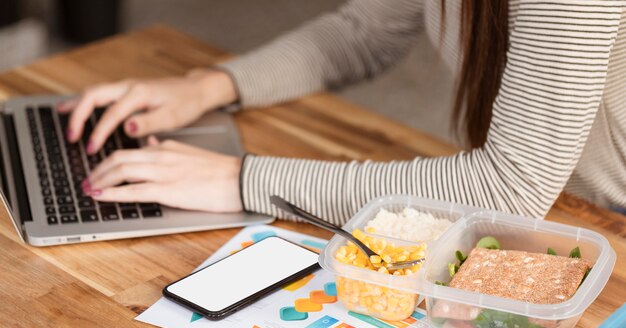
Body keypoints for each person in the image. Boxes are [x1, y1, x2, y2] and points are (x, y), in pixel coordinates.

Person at [58, 0, 626, 224]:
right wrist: (209, 85)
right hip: (560, 211)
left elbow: (506, 188)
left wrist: (243, 179)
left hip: (605, 227)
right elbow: (362, 32)